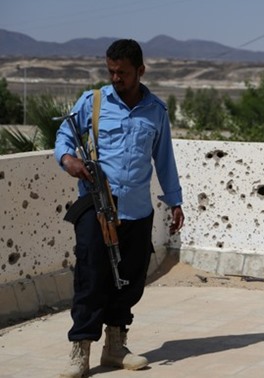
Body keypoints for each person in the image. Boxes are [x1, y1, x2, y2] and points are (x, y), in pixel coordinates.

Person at [54, 39, 184, 378]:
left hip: (138, 212)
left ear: (140, 71)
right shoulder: (92, 102)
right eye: (110, 71)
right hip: (96, 207)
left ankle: (115, 347)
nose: (115, 78)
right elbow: (64, 136)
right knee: (91, 277)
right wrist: (67, 159)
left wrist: (175, 201)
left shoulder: (155, 110)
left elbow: (164, 159)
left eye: (122, 72)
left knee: (129, 281)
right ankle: (79, 351)